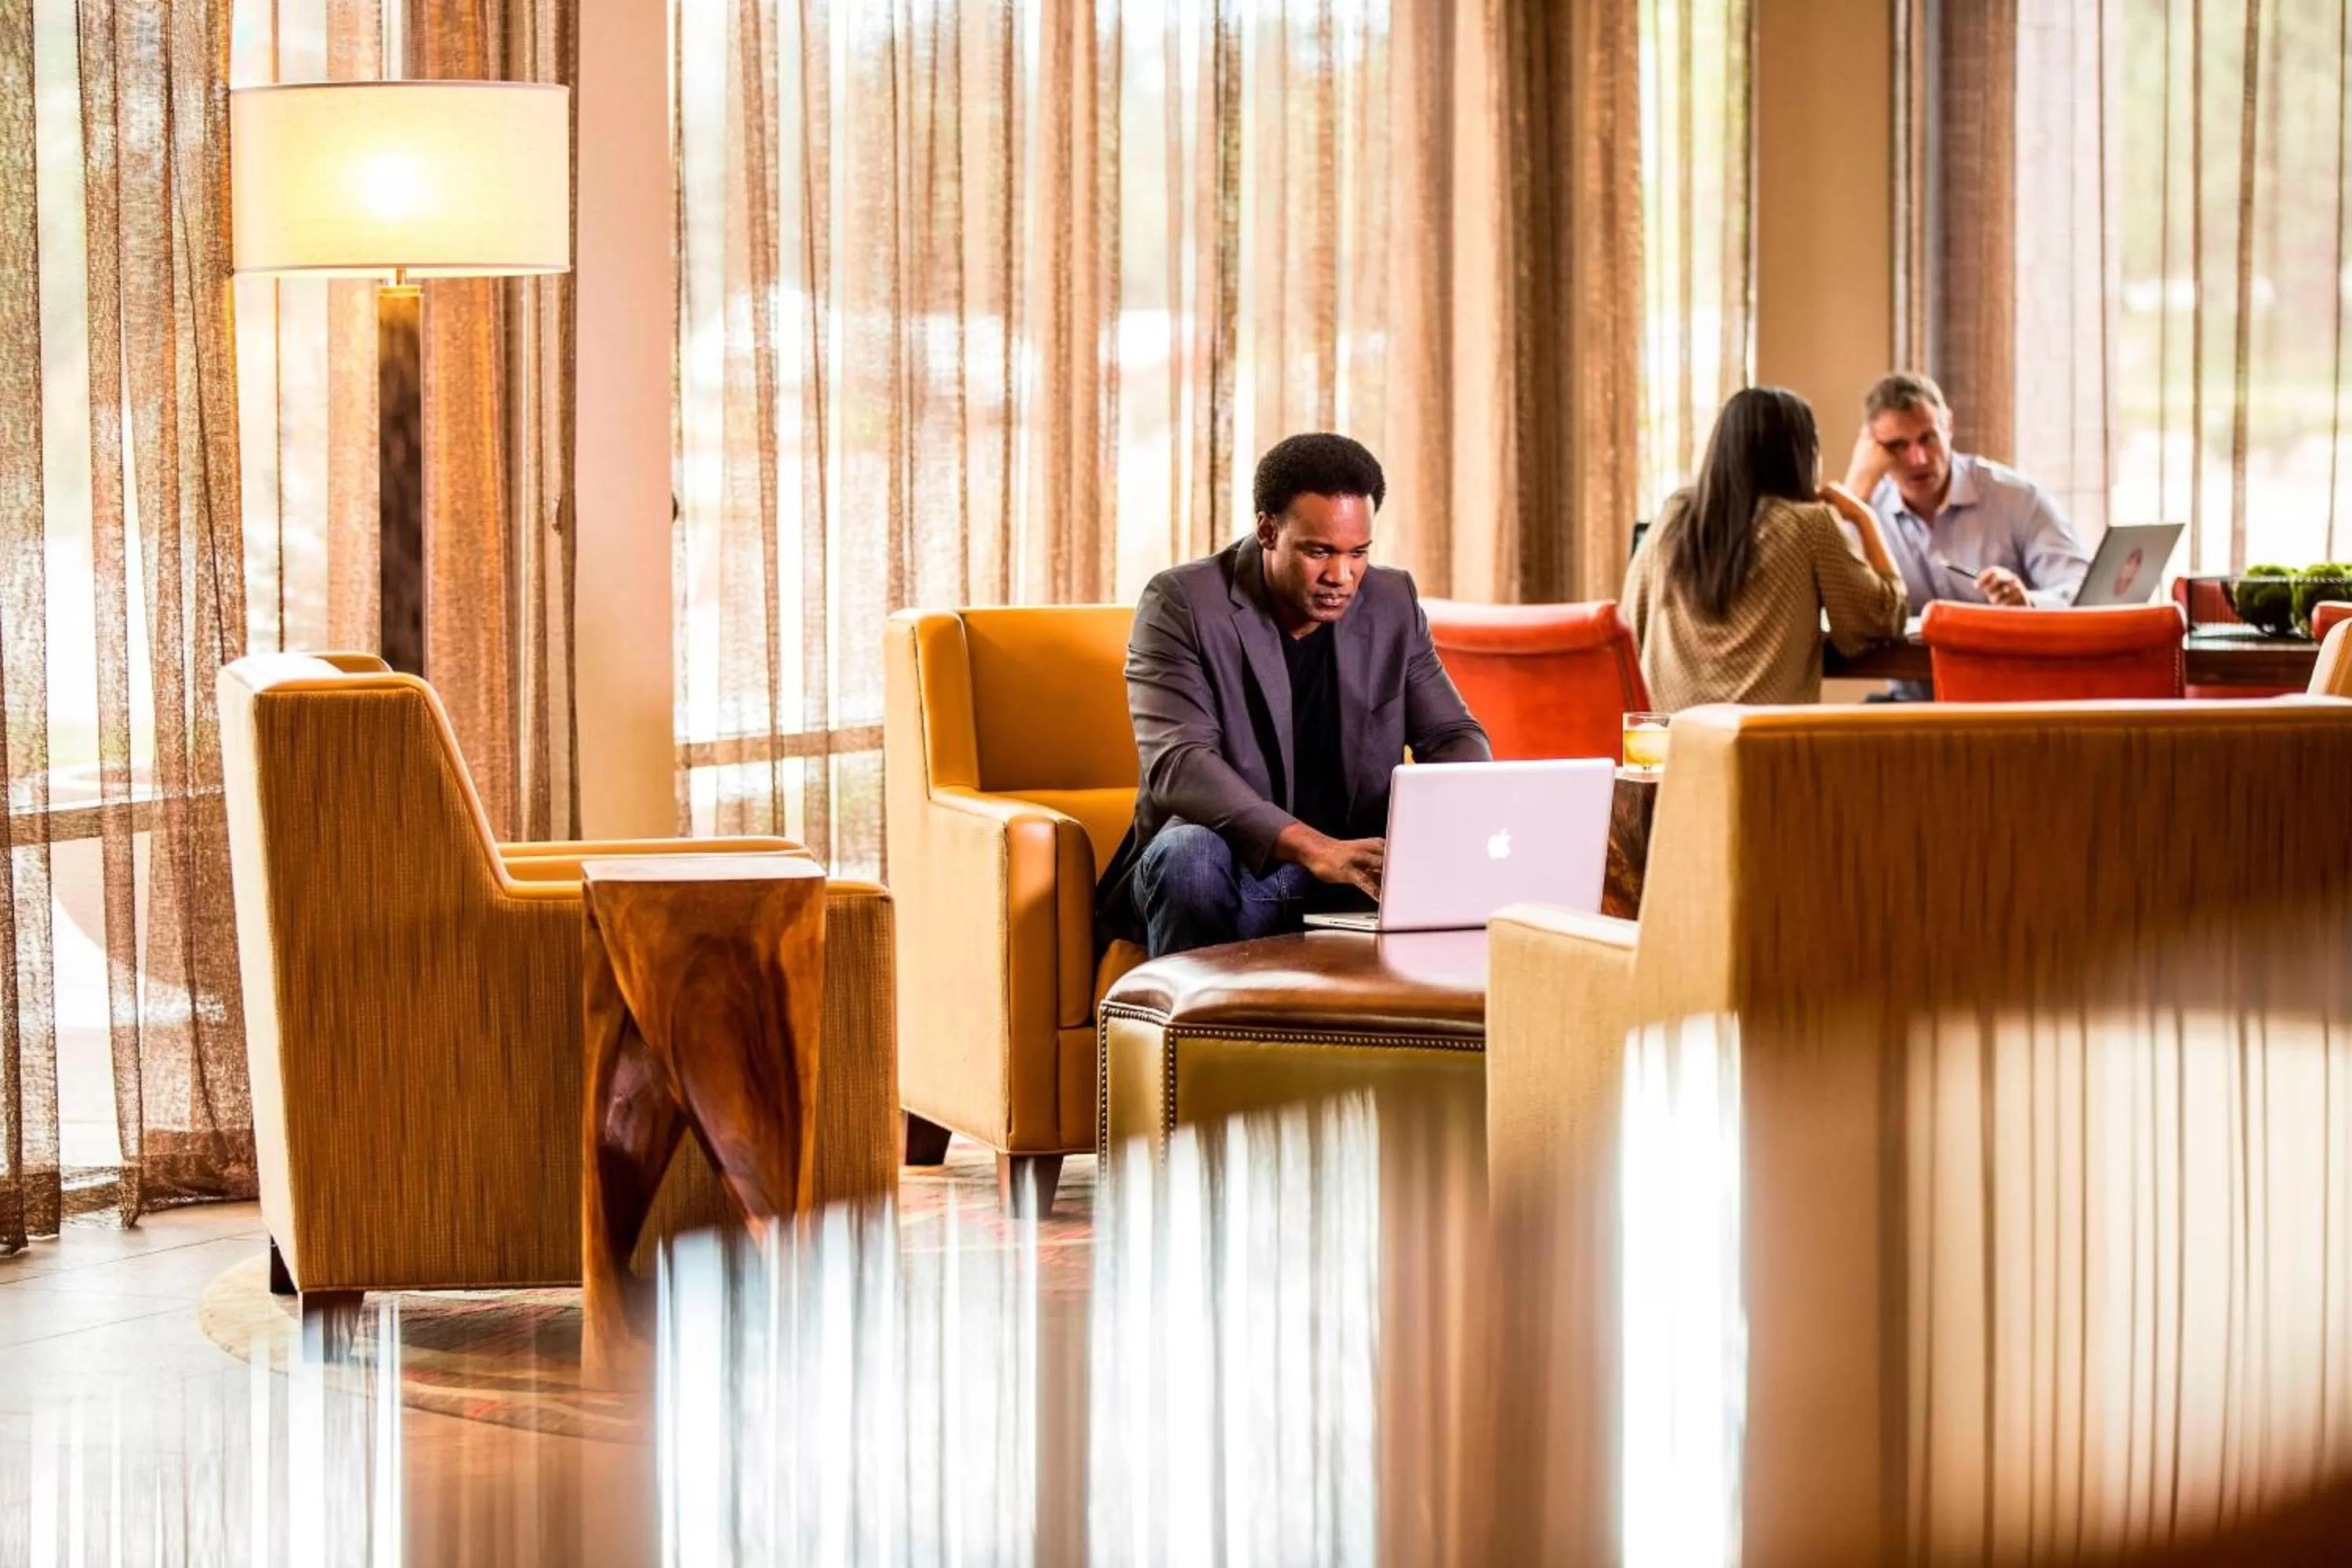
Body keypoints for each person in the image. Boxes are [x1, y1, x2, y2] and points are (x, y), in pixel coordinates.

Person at [1095, 433, 1491, 958]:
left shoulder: (1392, 600)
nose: (1341, 576)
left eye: (1358, 553)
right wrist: (1317, 849)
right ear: (1267, 530)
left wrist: (1459, 815)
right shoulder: (1183, 603)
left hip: (1353, 876)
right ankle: (1196, 1037)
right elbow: (1180, 762)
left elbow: (1451, 734)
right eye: (1318, 551)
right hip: (1236, 873)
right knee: (1188, 854)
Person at [1622, 385, 1907, 709]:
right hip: (1760, 747)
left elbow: (1629, 627)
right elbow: (1882, 619)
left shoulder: (1674, 516)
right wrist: (1863, 517)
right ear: (1800, 454)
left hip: (1665, 746)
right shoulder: (1809, 525)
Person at [1842, 371, 2091, 612]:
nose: (1918, 459)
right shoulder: (1866, 508)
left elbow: (2081, 586)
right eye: (1898, 445)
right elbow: (1829, 599)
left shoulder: (2015, 497)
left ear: (1948, 426)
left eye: (1927, 438)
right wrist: (1854, 492)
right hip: (1908, 656)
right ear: (1871, 446)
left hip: (2005, 650)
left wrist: (2029, 602)